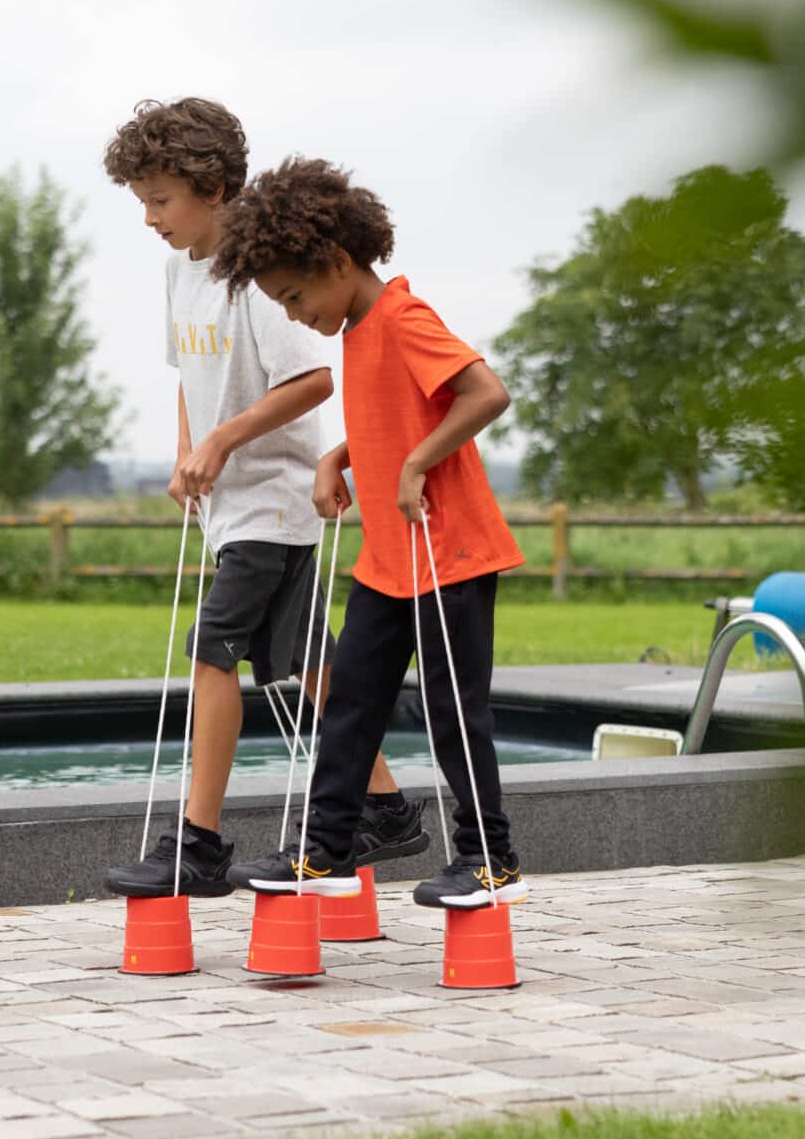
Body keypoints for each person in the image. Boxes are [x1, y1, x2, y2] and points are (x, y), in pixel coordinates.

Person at [98, 101, 426, 899]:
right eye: (141, 201)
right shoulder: (179, 271)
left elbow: (314, 381)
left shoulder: (253, 276)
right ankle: (385, 807)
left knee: (213, 652)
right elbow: (189, 374)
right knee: (309, 664)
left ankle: (199, 841)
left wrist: (223, 442)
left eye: (161, 199)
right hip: (232, 507)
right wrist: (189, 449)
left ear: (212, 188)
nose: (149, 219)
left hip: (274, 504)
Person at [211, 156, 528, 909]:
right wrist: (338, 456)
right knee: (351, 701)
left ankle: (491, 858)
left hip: (447, 553)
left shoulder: (402, 317)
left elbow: (486, 393)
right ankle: (324, 852)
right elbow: (394, 411)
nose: (293, 314)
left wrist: (417, 463)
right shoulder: (359, 329)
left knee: (454, 712)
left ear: (337, 261)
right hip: (390, 559)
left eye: (294, 295)